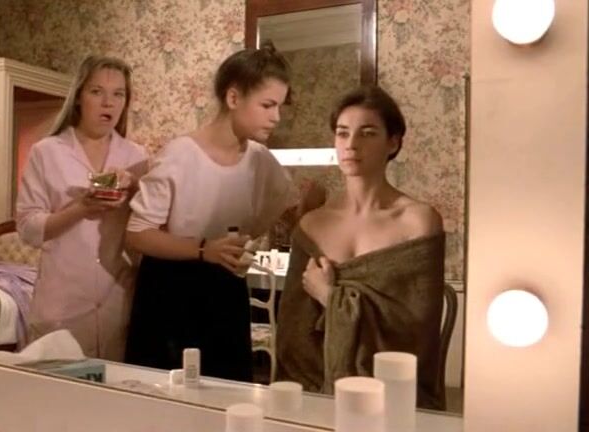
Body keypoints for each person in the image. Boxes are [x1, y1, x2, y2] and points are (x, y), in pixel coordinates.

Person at [123, 42, 310, 382]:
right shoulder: (179, 155)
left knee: (227, 390)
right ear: (234, 97)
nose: (277, 117)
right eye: (267, 105)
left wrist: (311, 207)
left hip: (225, 291)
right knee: (166, 395)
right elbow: (138, 234)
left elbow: (282, 215)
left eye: (279, 106)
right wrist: (203, 249)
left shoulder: (260, 160)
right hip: (170, 290)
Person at [275, 85, 447, 410]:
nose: (351, 144)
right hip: (317, 395)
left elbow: (415, 332)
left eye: (367, 133)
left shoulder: (419, 222)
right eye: (343, 133)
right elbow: (293, 335)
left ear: (393, 142)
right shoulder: (312, 225)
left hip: (393, 398)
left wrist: (330, 297)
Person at [16, 55, 148, 361]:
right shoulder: (47, 152)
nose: (108, 103)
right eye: (97, 91)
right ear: (78, 97)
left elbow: (148, 225)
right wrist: (80, 209)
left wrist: (135, 185)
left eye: (118, 94)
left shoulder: (136, 156)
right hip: (62, 303)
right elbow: (27, 228)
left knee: (115, 385)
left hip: (118, 299)